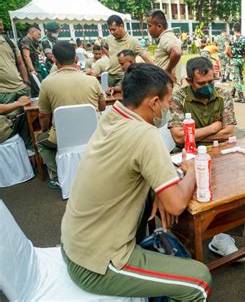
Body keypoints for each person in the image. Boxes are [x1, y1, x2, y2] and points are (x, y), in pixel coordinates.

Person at [60, 63, 212, 300]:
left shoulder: (112, 116)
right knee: (199, 281)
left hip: (75, 245)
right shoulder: (145, 134)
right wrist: (192, 169)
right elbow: (175, 205)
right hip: (96, 265)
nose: (168, 108)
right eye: (167, 102)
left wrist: (156, 189)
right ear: (153, 102)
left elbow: (126, 165)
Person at [168, 57, 245, 262]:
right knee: (186, 193)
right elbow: (177, 137)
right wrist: (213, 128)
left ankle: (224, 236)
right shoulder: (178, 98)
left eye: (211, 81)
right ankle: (183, 237)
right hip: (186, 153)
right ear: (189, 80)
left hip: (219, 150)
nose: (208, 87)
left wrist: (193, 134)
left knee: (235, 183)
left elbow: (229, 131)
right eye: (202, 83)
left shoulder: (223, 94)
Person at [37, 41, 106, 189]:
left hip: (64, 138)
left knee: (41, 140)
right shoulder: (92, 80)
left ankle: (56, 177)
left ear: (54, 60)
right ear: (75, 58)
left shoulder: (47, 83)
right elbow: (102, 107)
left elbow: (43, 115)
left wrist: (44, 130)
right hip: (93, 134)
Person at [0, 19, 32, 148]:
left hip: (20, 87)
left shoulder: (9, 42)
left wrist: (25, 82)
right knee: (10, 128)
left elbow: (20, 62)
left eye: (1, 24)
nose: (1, 26)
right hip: (4, 92)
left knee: (28, 124)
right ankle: (18, 156)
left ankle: (30, 154)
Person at [103, 15, 153, 87]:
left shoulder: (133, 41)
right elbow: (104, 47)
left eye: (114, 29)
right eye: (110, 30)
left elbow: (147, 58)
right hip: (110, 75)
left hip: (124, 76)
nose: (112, 32)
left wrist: (158, 73)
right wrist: (111, 57)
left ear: (121, 26)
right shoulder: (109, 39)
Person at [147, 10, 182, 82]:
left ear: (159, 26)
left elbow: (176, 52)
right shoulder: (167, 37)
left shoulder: (166, 37)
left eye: (149, 26)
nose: (148, 29)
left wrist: (168, 70)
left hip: (170, 87)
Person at [227, 23, 245, 103]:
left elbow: (227, 51)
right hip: (241, 60)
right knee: (238, 75)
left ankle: (241, 97)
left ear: (233, 29)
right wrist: (243, 56)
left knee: (236, 78)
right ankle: (233, 92)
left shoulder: (231, 38)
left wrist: (231, 57)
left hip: (234, 60)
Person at [19, 25, 43, 97]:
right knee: (38, 90)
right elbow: (26, 56)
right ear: (32, 32)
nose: (39, 36)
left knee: (37, 90)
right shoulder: (26, 40)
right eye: (38, 34)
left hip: (33, 68)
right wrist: (32, 70)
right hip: (30, 70)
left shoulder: (31, 41)